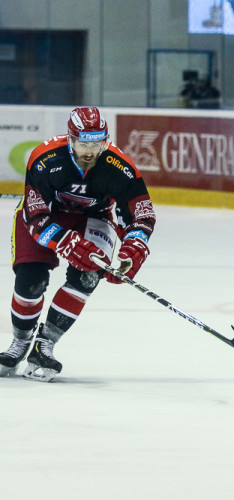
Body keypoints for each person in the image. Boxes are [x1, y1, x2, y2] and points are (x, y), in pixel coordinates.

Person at [0, 107, 156, 382]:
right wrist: (65, 241)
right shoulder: (44, 159)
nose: (90, 151)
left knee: (87, 277)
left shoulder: (120, 168)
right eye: (84, 143)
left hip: (94, 218)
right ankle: (19, 343)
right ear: (71, 138)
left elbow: (141, 214)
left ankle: (44, 346)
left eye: (97, 144)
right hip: (47, 216)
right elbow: (36, 215)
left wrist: (134, 248)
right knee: (30, 279)